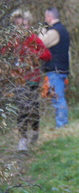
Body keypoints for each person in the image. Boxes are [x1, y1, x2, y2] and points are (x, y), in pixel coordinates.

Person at [6, 9, 51, 151]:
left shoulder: (33, 38)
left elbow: (47, 55)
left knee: (33, 107)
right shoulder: (11, 41)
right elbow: (3, 55)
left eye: (25, 25)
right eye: (19, 25)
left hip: (33, 78)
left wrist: (34, 53)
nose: (22, 28)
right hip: (18, 79)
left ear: (29, 25)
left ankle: (35, 130)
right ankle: (23, 139)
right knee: (22, 107)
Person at [39, 7, 70, 129]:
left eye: (46, 17)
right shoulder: (63, 30)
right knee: (58, 97)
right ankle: (61, 123)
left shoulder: (54, 32)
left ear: (49, 17)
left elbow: (40, 44)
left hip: (55, 70)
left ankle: (61, 124)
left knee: (58, 98)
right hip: (62, 69)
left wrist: (42, 29)